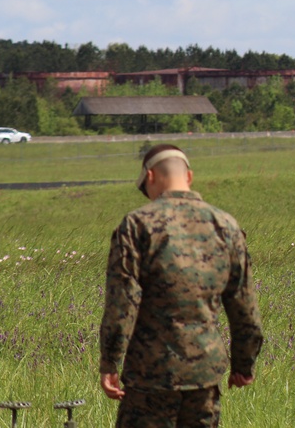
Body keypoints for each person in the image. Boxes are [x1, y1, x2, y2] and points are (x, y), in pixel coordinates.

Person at [99, 144, 264, 427]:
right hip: (203, 377)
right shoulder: (226, 226)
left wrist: (110, 362)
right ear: (189, 176)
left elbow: (122, 302)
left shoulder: (136, 225)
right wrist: (243, 364)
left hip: (149, 376)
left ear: (150, 177)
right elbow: (244, 305)